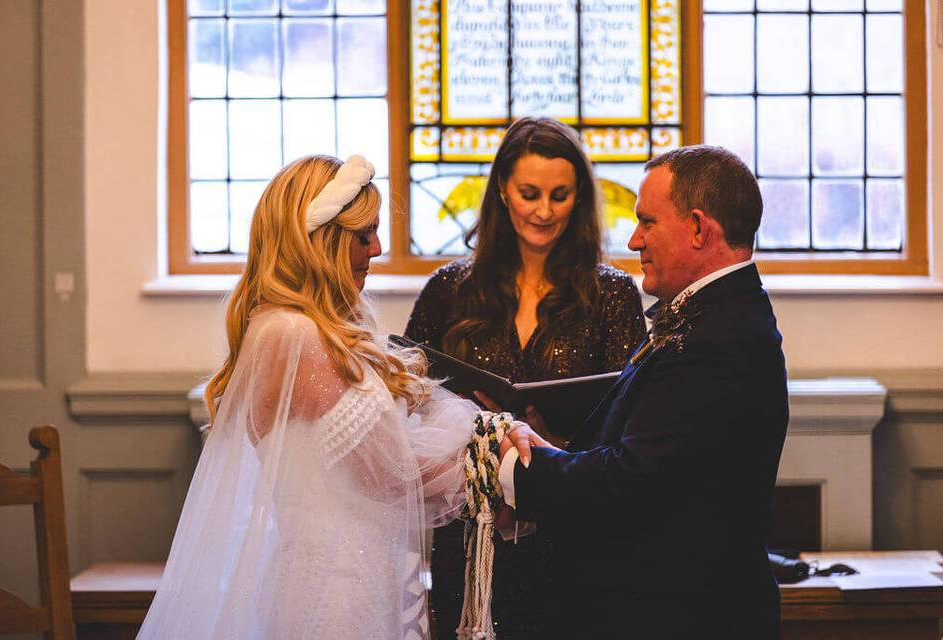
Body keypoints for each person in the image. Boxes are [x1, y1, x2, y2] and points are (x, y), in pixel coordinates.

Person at [138, 155, 489, 639]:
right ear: (318, 241)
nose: (378, 248)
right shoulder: (294, 335)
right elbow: (390, 473)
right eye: (363, 236)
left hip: (349, 579)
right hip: (335, 597)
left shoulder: (296, 327)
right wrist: (496, 465)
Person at [500, 145, 790, 639]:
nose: (635, 239)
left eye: (647, 222)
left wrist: (512, 464)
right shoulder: (713, 315)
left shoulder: (719, 339)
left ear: (697, 229)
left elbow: (630, 481)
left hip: (690, 618)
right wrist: (554, 452)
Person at [405, 117, 647, 639]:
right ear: (502, 190)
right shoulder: (449, 290)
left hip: (571, 530)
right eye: (529, 194)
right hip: (471, 532)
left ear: (580, 198)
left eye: (560, 195)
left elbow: (631, 422)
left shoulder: (611, 294)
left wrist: (551, 436)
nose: (544, 211)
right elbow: (408, 405)